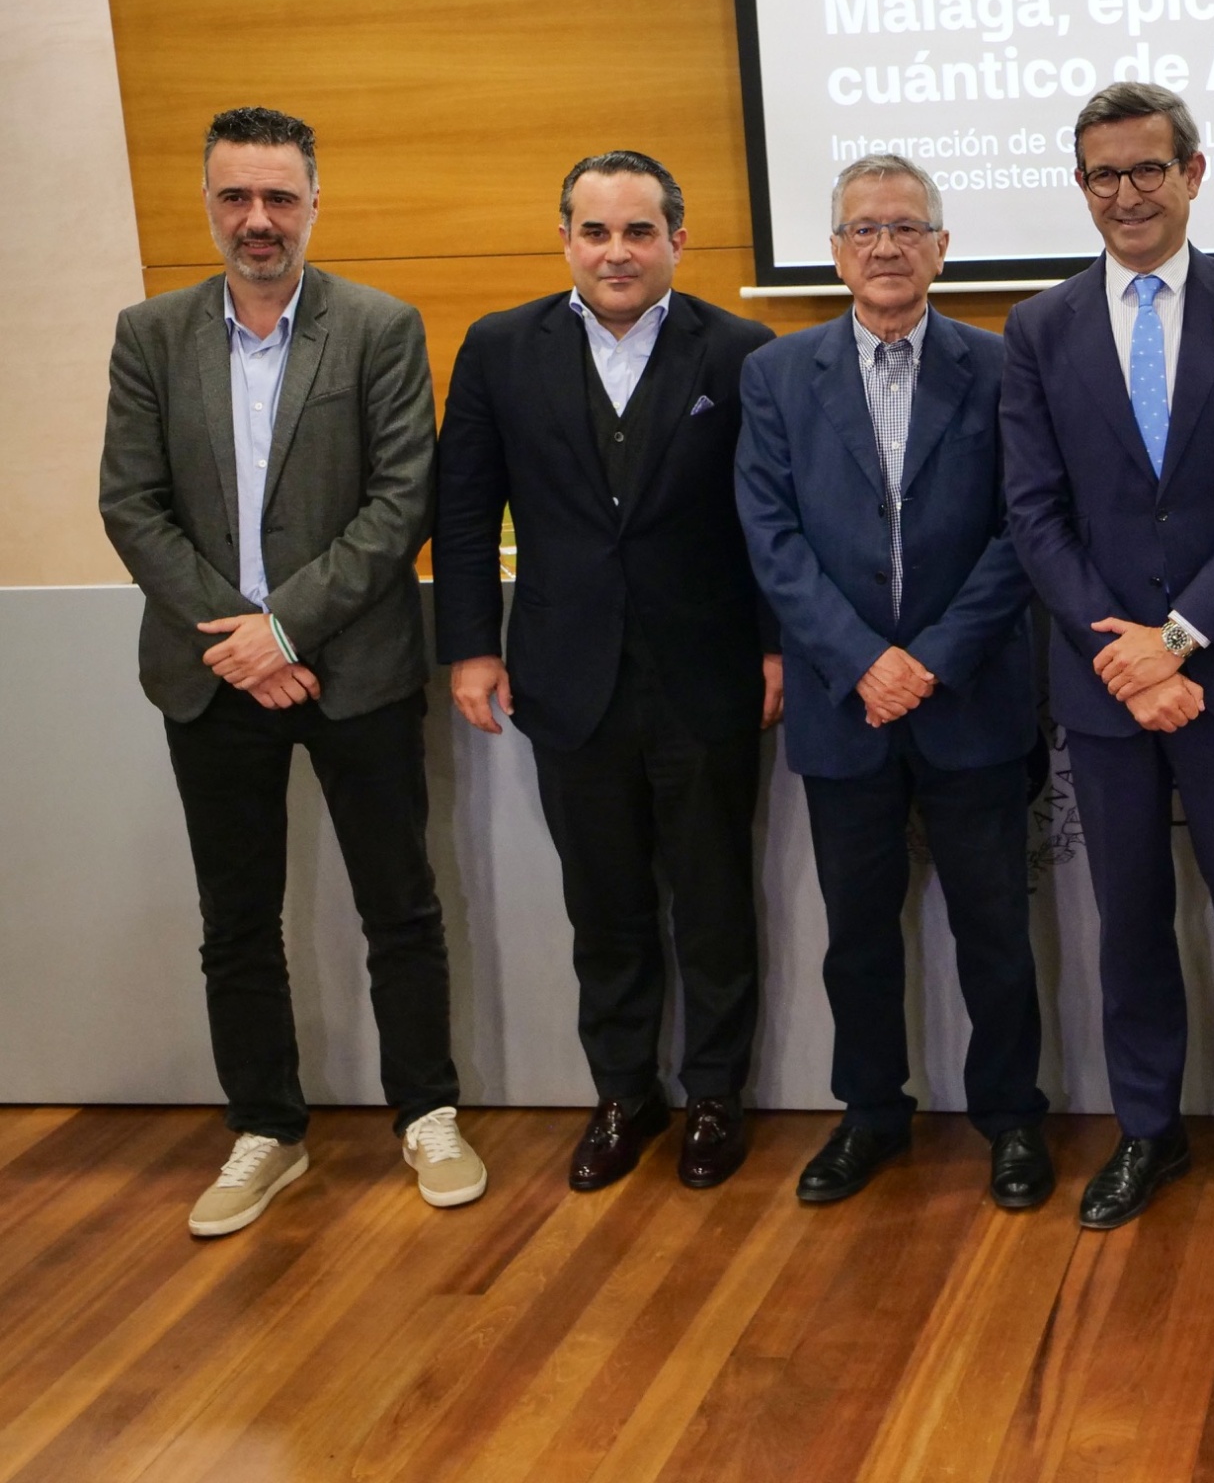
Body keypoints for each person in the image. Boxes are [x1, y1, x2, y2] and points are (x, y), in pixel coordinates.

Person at [99, 105, 484, 1237]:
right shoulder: (149, 335)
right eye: (236, 197)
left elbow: (401, 501)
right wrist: (242, 637)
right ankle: (266, 1130)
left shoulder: (377, 327)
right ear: (209, 205)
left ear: (315, 203)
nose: (257, 219)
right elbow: (131, 503)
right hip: (211, 673)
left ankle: (427, 1112)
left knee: (399, 907)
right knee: (236, 921)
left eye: (278, 197)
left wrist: (288, 630)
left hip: (354, 669)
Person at [1001, 82, 1214, 1240]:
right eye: (1105, 174)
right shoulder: (1039, 330)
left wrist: (1177, 641)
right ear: (1080, 187)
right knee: (1128, 922)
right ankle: (1148, 1130)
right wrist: (1124, 655)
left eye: (1148, 169)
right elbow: (1034, 512)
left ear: (1193, 173)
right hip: (1105, 686)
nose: (1127, 193)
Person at [437, 151, 778, 1193]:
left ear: (678, 239)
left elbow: (772, 516)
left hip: (709, 675)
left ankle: (715, 1095)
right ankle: (625, 1093)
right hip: (566, 675)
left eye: (639, 231)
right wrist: (471, 645)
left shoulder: (742, 351)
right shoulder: (500, 348)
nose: (616, 251)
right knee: (606, 904)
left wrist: (775, 647)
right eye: (596, 231)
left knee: (714, 902)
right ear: (566, 240)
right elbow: (463, 510)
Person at [736, 155, 1052, 1210]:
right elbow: (770, 535)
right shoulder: (778, 374)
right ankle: (871, 1113)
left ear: (941, 248)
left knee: (995, 934)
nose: (885, 247)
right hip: (845, 704)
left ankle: (1011, 1118)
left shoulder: (1002, 366)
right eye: (864, 230)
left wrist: (934, 658)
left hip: (972, 696)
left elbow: (1023, 529)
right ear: (835, 252)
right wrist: (862, 660)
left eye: (906, 228)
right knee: (858, 936)